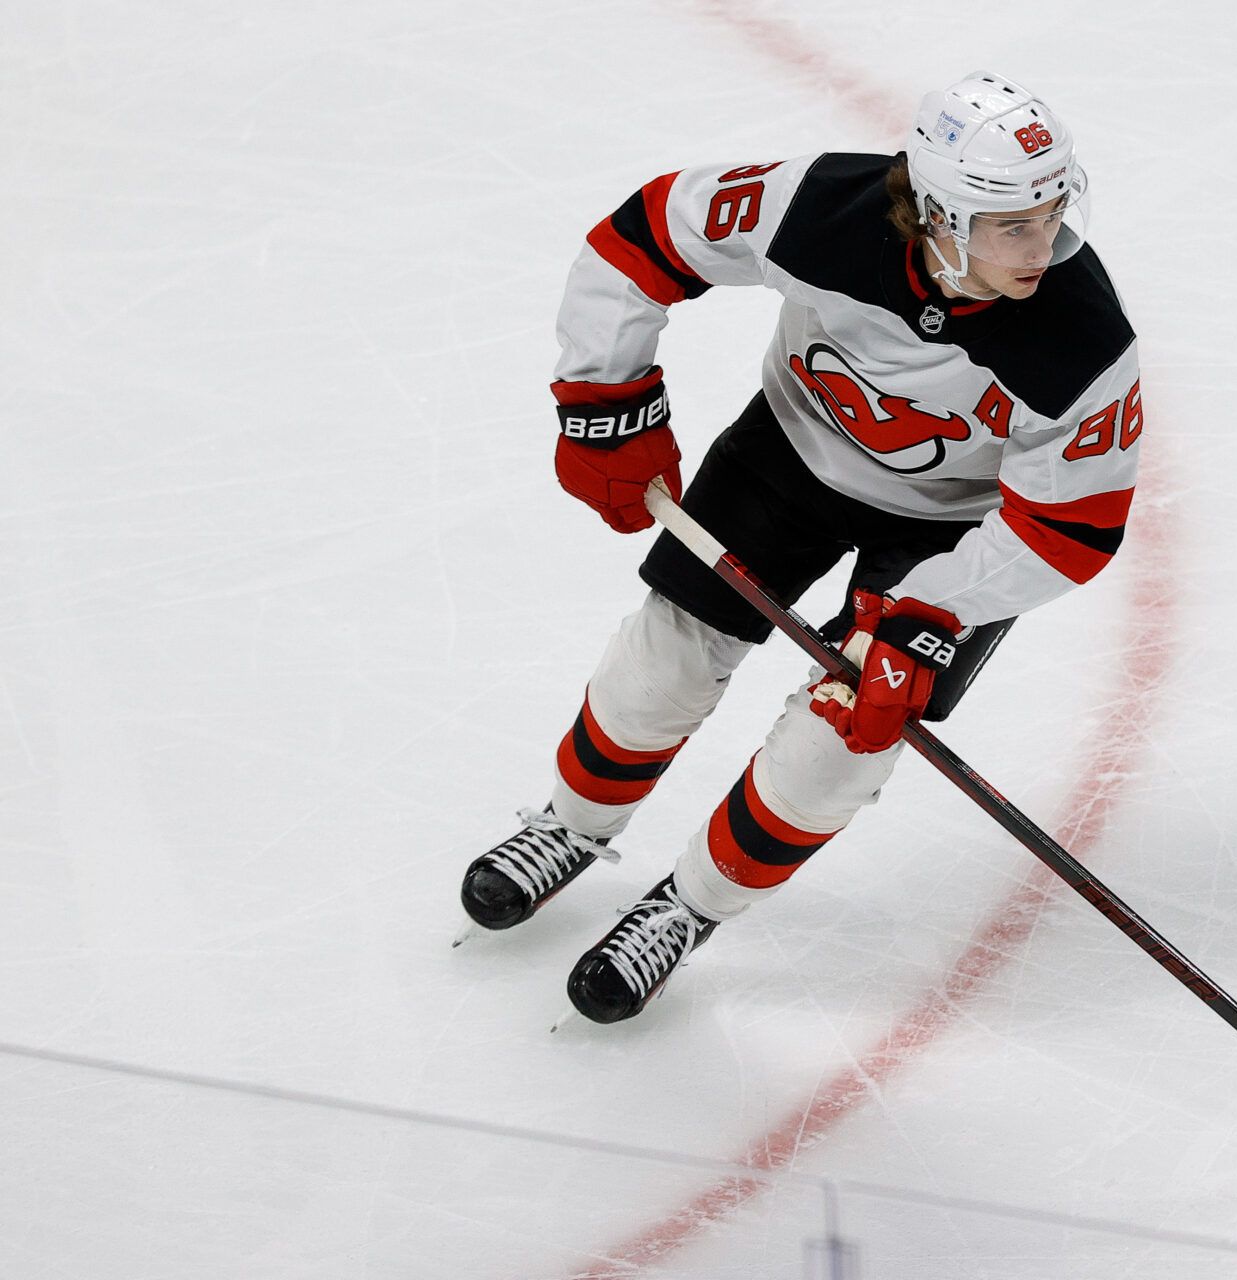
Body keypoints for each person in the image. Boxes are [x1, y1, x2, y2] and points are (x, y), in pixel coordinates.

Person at [459, 71, 1145, 1024]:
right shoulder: (821, 209)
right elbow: (646, 236)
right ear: (941, 214)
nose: (1045, 247)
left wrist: (930, 615)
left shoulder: (1082, 339)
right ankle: (570, 828)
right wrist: (602, 399)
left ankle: (687, 908)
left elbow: (1069, 526)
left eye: (1053, 213)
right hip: (790, 452)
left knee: (844, 741)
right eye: (1013, 226)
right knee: (660, 664)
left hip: (950, 532)